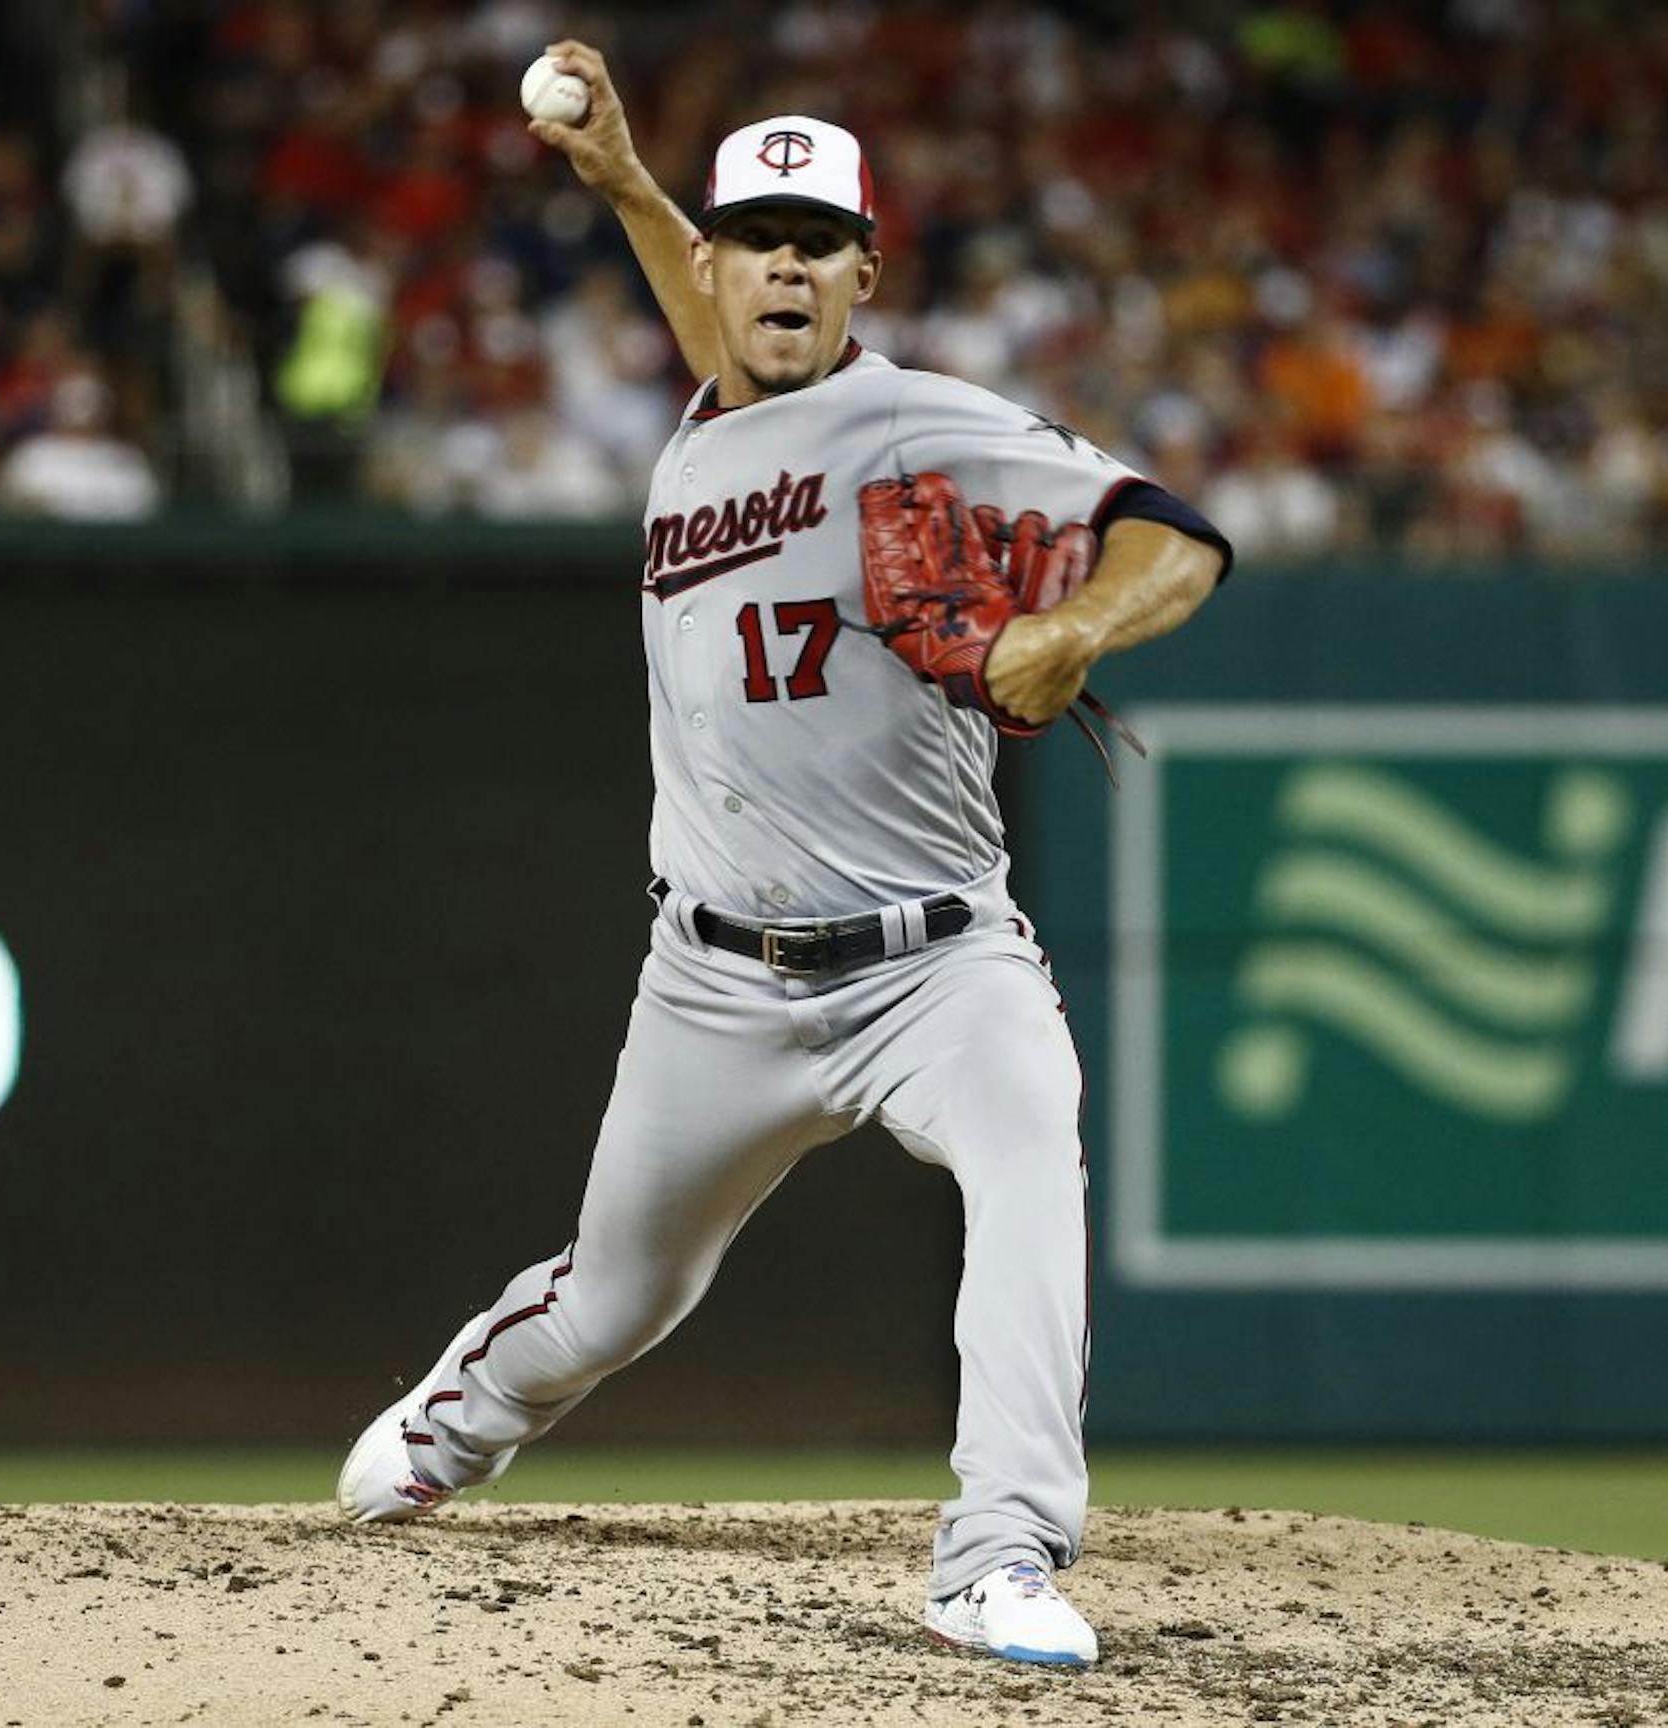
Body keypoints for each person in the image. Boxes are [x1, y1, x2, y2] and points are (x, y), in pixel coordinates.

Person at [335, 43, 1230, 1672]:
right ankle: (460, 1419)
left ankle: (1001, 1549)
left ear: (864, 271)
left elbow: (1179, 530)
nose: (786, 268)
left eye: (818, 242)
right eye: (759, 239)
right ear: (722, 264)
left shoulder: (925, 422)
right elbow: (716, 334)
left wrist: (1079, 622)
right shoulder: (703, 417)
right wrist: (615, 175)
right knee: (619, 1299)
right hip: (714, 976)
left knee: (1033, 1155)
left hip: (936, 962)